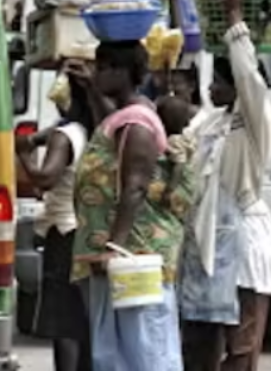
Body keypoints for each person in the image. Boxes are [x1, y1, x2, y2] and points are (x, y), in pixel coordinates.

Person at [71, 40, 189, 371]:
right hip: (120, 258)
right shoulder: (125, 118)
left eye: (105, 67)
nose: (99, 72)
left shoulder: (138, 122)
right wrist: (91, 89)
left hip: (132, 257)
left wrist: (114, 247)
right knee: (117, 353)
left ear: (124, 72)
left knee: (144, 350)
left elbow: (135, 186)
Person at [178, 0, 271, 371]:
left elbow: (250, 79)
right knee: (200, 343)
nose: (210, 89)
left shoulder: (254, 120)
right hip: (206, 245)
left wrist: (236, 20)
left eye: (219, 82)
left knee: (240, 346)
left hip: (243, 247)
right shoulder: (211, 122)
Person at [18, 73, 94, 371]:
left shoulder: (65, 136)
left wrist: (25, 157)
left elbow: (45, 178)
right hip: (84, 229)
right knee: (82, 318)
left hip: (63, 233)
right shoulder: (91, 129)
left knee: (63, 321)